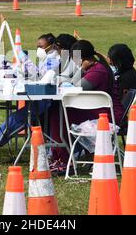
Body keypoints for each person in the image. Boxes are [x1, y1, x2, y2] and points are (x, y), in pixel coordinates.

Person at [0, 33, 69, 154]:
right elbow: (37, 75)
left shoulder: (56, 59)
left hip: (47, 99)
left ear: (52, 46)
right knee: (17, 118)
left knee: (17, 118)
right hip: (40, 96)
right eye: (37, 46)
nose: (39, 49)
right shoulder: (47, 58)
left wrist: (25, 60)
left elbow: (40, 76)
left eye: (41, 46)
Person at [49, 40, 125, 172]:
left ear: (85, 59)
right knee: (57, 111)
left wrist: (79, 71)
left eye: (77, 60)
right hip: (95, 111)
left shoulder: (98, 71)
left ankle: (63, 158)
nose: (76, 63)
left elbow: (75, 88)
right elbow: (73, 83)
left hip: (105, 115)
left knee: (58, 114)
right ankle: (60, 156)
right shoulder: (94, 67)